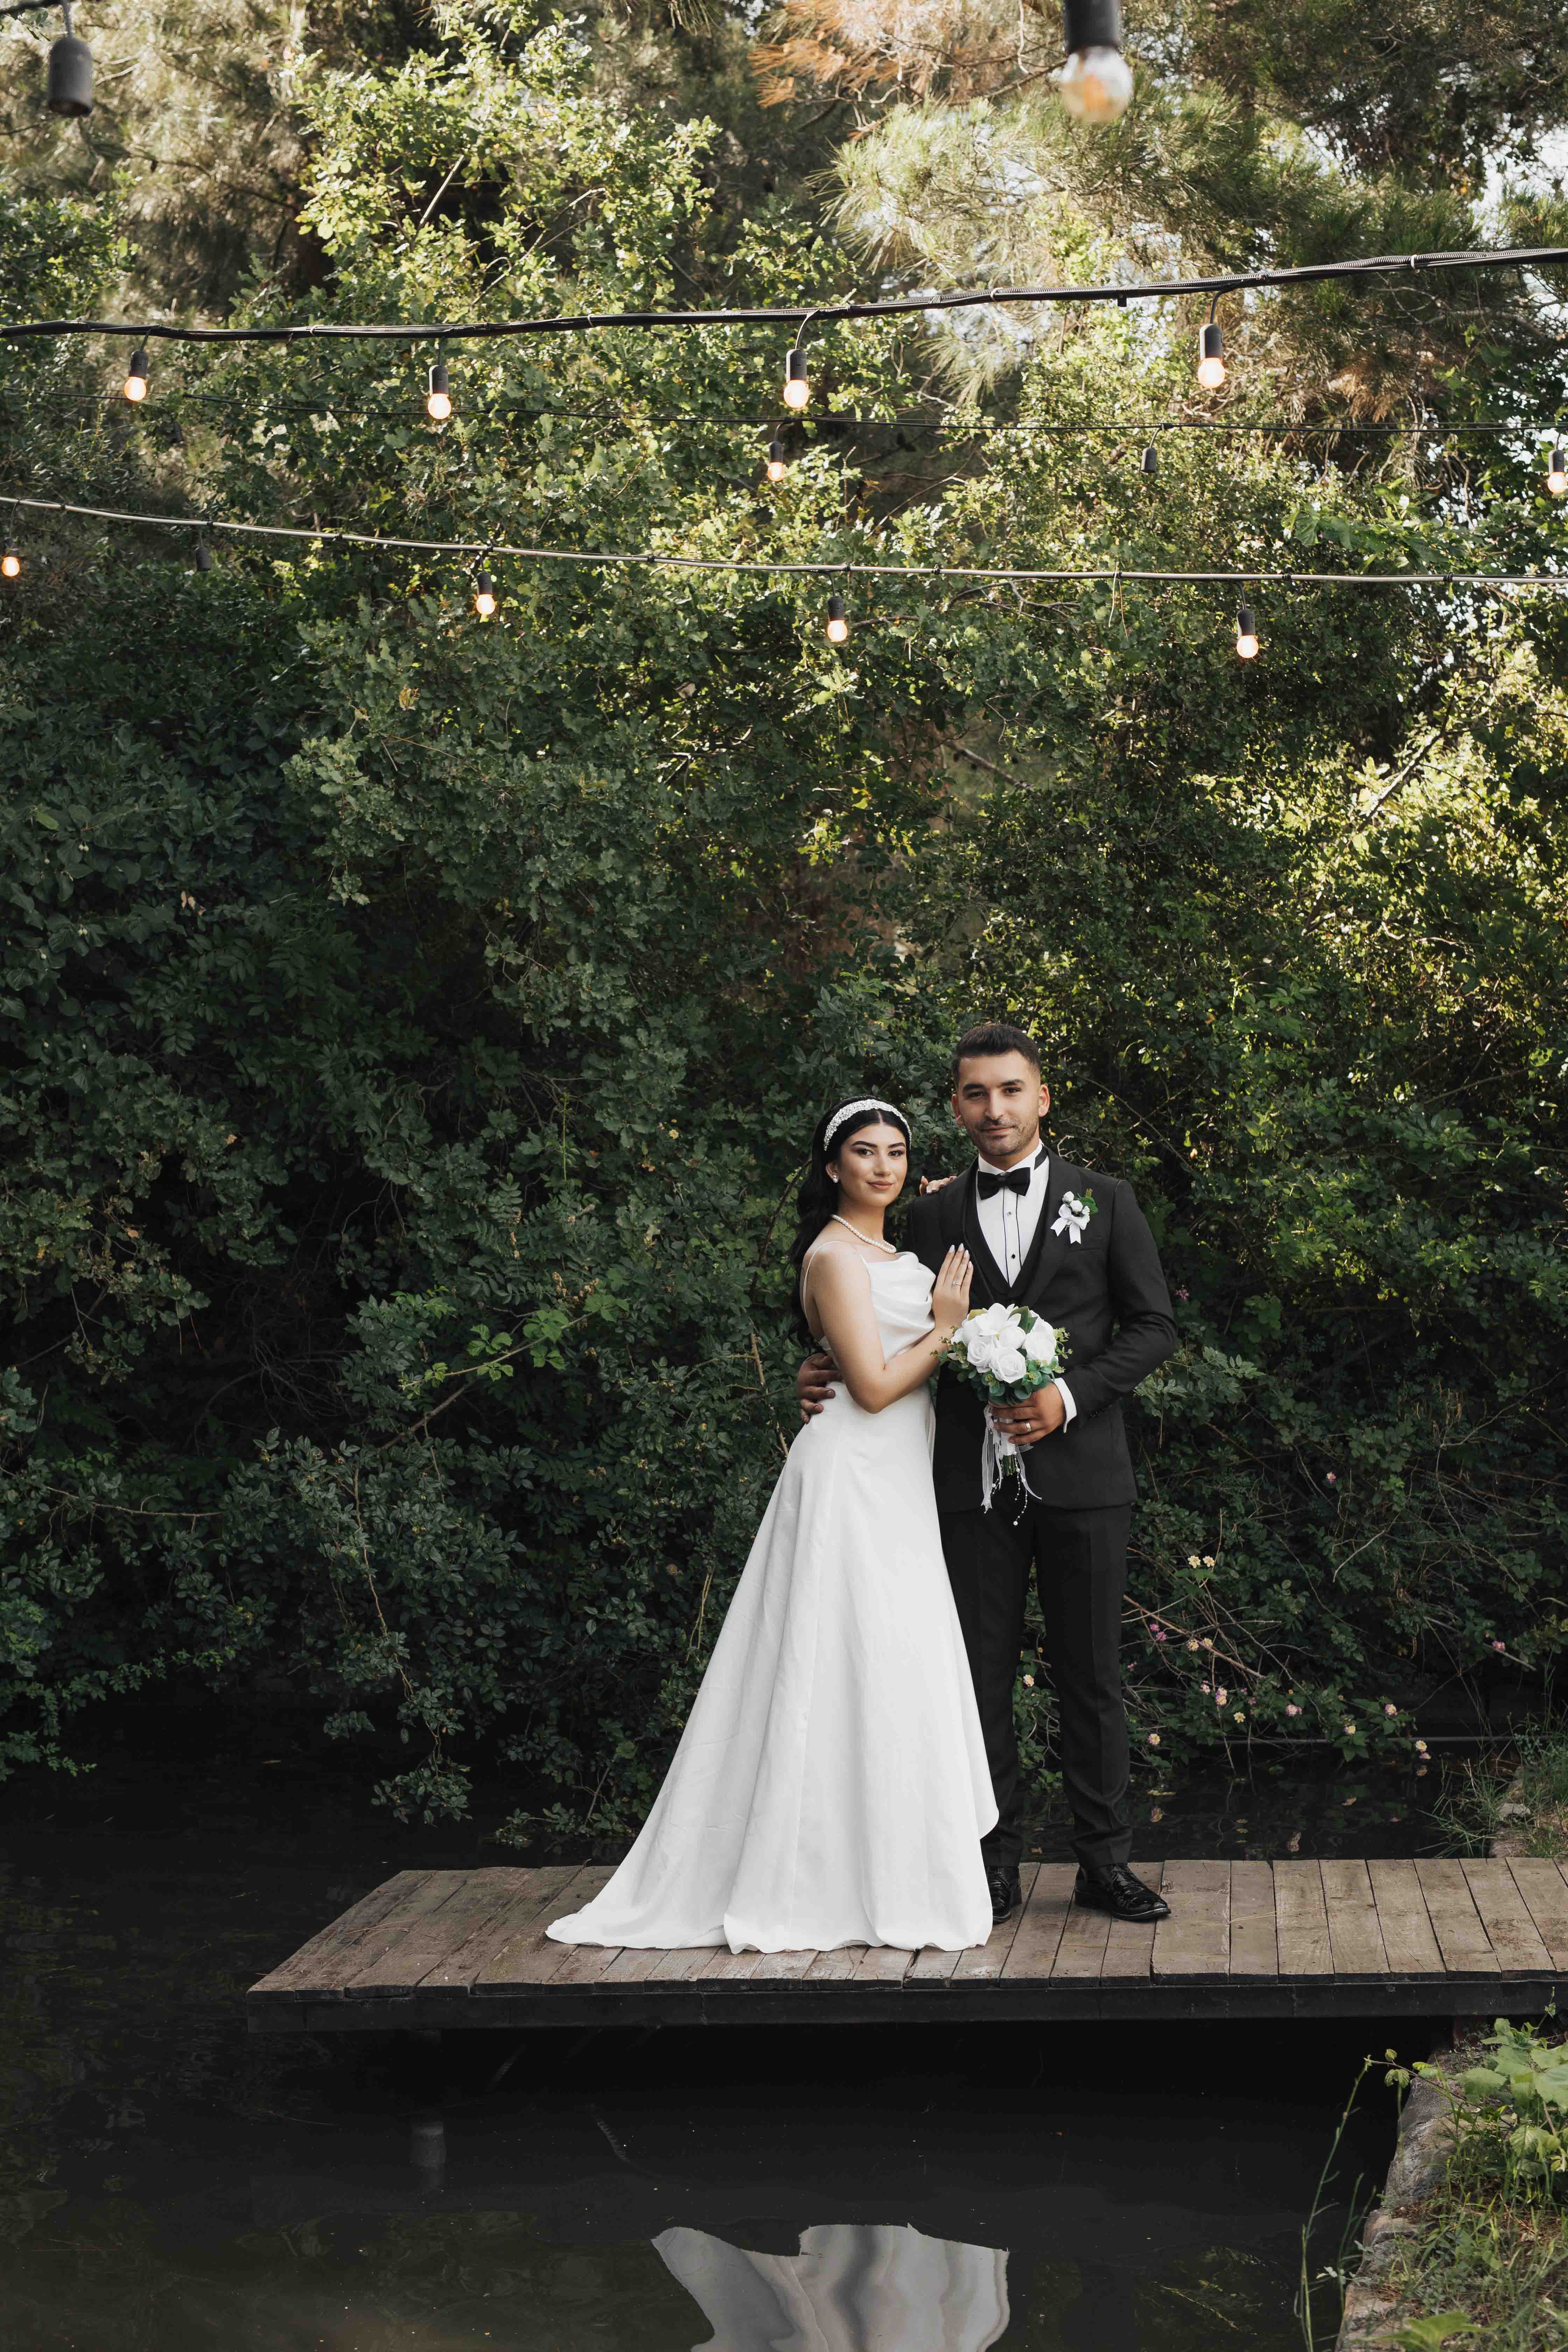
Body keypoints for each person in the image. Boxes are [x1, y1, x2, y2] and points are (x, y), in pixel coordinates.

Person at [548, 1097, 997, 1954]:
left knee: (889, 1666)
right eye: (862, 1153)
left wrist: (942, 1212)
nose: (881, 1166)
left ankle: (891, 1865)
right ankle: (815, 1877)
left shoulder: (892, 1250)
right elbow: (867, 1385)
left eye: (896, 1153)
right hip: (851, 1477)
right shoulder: (833, 1255)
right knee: (835, 1663)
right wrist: (944, 1331)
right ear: (832, 1167)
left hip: (897, 1483)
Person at [798, 1026, 1177, 1928]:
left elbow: (1153, 1327)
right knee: (972, 1675)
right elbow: (857, 1303)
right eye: (975, 1094)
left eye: (1010, 1091)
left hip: (1084, 1476)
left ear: (1040, 1098)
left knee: (1092, 1675)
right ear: (956, 1106)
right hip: (960, 1485)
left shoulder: (1107, 1201)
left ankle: (1103, 1864)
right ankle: (988, 1861)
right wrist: (816, 1365)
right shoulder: (924, 1215)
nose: (994, 1109)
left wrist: (1069, 1399)